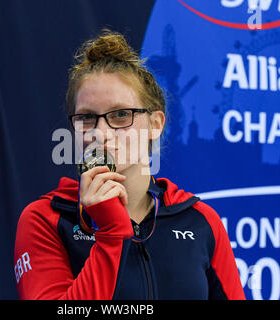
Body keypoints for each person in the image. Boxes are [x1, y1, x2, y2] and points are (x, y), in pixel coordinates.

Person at [14, 29, 245, 300]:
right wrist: (111, 231)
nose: (100, 132)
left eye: (121, 114)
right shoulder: (46, 220)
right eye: (87, 118)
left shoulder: (200, 221)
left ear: (155, 124)